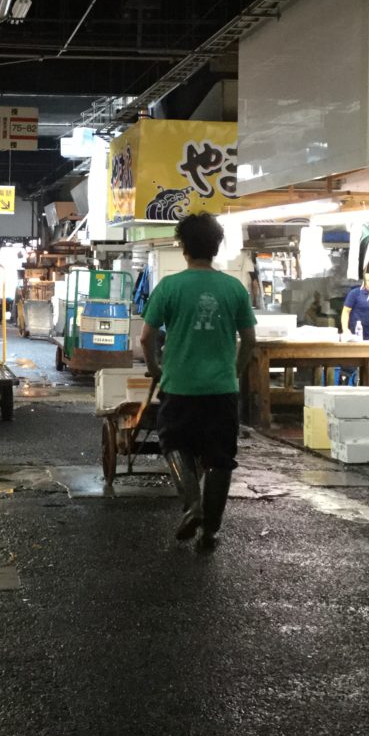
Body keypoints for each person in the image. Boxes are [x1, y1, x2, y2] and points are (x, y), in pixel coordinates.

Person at [140, 212, 257, 548]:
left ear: (183, 247)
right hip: (221, 390)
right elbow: (250, 341)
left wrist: (155, 369)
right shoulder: (233, 288)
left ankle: (192, 505)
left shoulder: (170, 287)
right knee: (220, 457)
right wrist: (234, 370)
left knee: (175, 444)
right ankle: (210, 530)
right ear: (217, 247)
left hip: (179, 387)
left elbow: (146, 338)